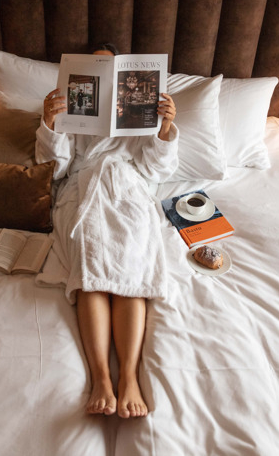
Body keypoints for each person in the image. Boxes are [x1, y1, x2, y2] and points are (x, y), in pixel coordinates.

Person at [35, 44, 178, 419]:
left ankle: (128, 377)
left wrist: (163, 129)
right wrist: (50, 125)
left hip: (128, 186)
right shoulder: (69, 105)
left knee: (131, 265)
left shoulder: (140, 114)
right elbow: (56, 168)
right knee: (91, 267)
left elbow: (155, 172)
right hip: (83, 186)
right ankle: (101, 377)